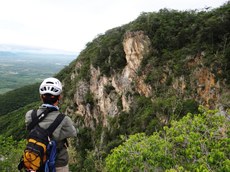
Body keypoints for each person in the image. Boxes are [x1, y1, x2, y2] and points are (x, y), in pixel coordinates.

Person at [25, 77, 77, 172]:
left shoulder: (30, 115)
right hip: (58, 163)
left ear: (41, 97)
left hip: (35, 161)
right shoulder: (64, 119)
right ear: (59, 97)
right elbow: (73, 133)